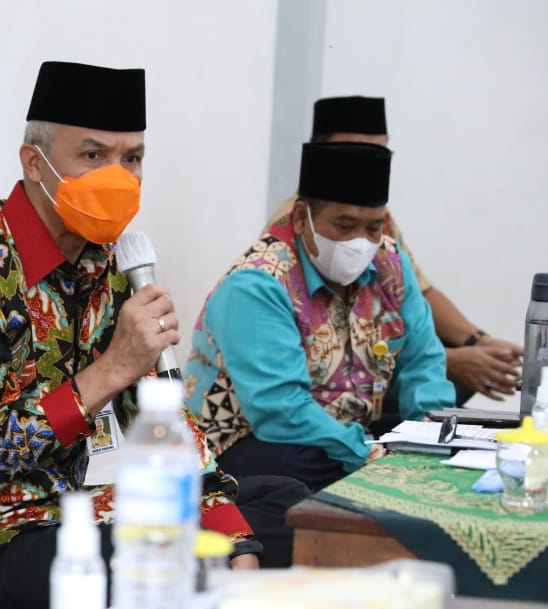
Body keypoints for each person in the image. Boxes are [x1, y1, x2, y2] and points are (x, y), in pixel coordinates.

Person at [0, 61, 310, 609]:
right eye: (93, 156)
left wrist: (233, 536)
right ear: (34, 164)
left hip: (61, 515)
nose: (118, 177)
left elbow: (162, 421)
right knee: (147, 554)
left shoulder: (108, 267)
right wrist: (112, 371)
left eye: (132, 159)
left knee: (285, 505)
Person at [183, 141, 456, 492]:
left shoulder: (391, 264)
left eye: (373, 228)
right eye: (344, 225)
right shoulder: (259, 283)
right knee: (305, 474)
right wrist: (368, 455)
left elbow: (424, 363)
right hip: (242, 445)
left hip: (341, 439)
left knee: (418, 459)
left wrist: (431, 438)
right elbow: (282, 411)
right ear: (301, 218)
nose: (360, 242)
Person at [268, 96, 523, 405]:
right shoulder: (285, 236)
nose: (368, 161)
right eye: (345, 226)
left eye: (380, 152)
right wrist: (454, 360)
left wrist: (480, 341)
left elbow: (418, 292)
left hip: (373, 354)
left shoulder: (380, 221)